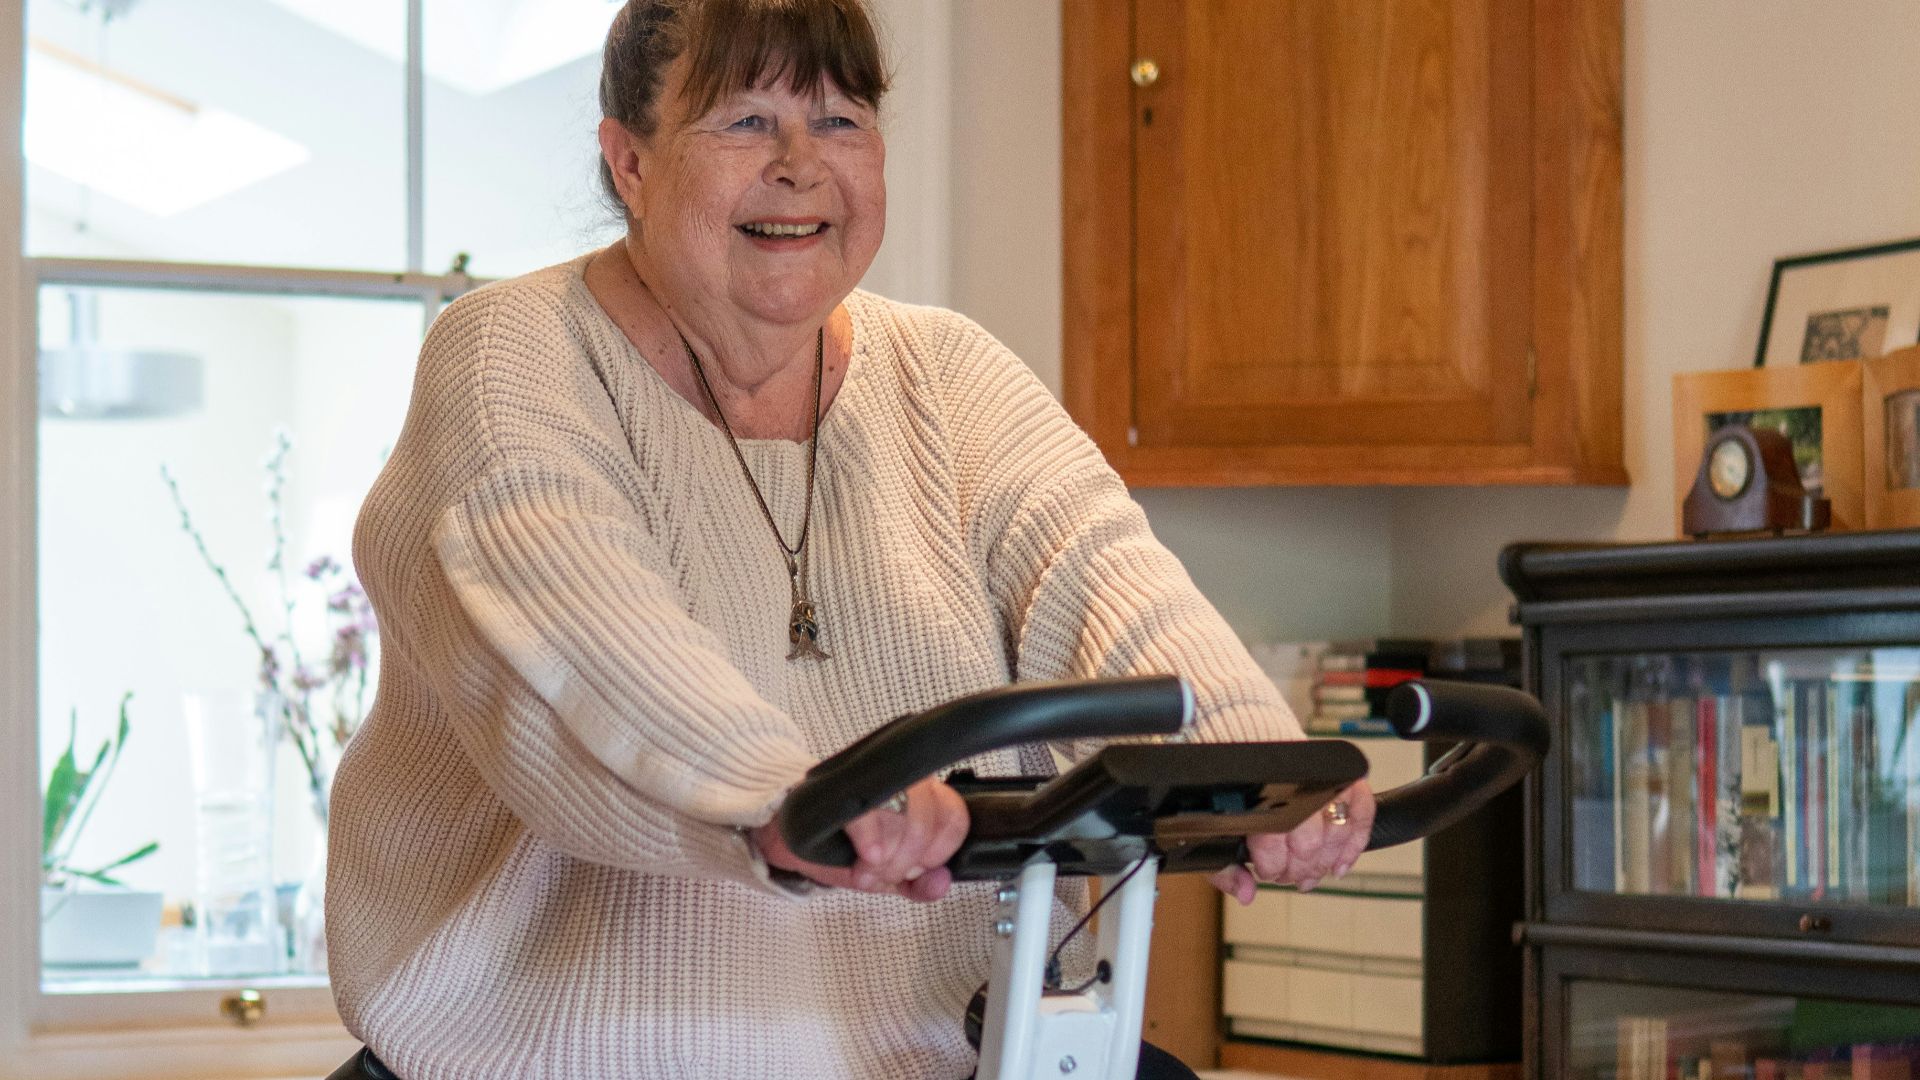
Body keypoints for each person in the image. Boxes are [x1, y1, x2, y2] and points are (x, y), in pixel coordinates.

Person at [327, 1, 1375, 1077]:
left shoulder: (948, 372)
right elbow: (576, 623)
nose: (799, 167)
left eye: (840, 119)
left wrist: (1253, 767)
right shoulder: (514, 354)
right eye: (742, 121)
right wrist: (779, 794)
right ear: (628, 161)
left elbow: (1099, 571)